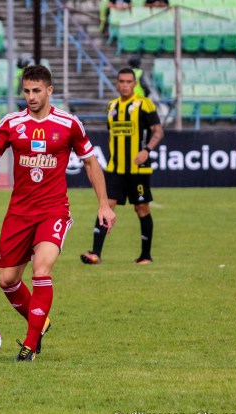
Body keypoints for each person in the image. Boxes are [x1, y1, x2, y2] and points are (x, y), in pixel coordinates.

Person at [0, 65, 116, 362]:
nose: (30, 97)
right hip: (19, 212)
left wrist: (103, 205)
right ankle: (41, 321)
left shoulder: (69, 123)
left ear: (49, 90)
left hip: (53, 210)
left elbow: (90, 163)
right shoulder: (11, 123)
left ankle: (30, 345)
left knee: (41, 270)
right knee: (7, 280)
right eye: (26, 91)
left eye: (36, 91)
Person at [80, 67, 164, 266]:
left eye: (129, 82)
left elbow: (158, 131)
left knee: (141, 208)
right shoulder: (112, 106)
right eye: (122, 82)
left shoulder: (145, 105)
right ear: (117, 84)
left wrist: (147, 150)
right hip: (115, 169)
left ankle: (145, 256)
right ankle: (95, 254)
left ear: (134, 84)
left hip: (138, 169)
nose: (125, 85)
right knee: (106, 205)